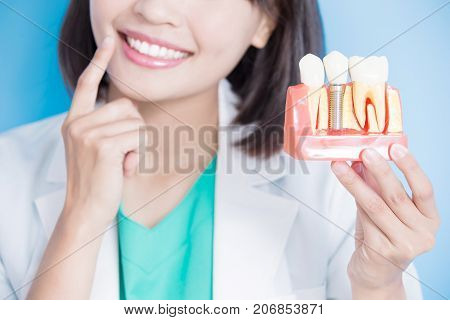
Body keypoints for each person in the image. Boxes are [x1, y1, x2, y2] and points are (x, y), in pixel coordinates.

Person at [0, 0, 439, 300]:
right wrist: (77, 220)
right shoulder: (8, 171)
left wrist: (379, 285)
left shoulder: (336, 183)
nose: (154, 10)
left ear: (267, 21)